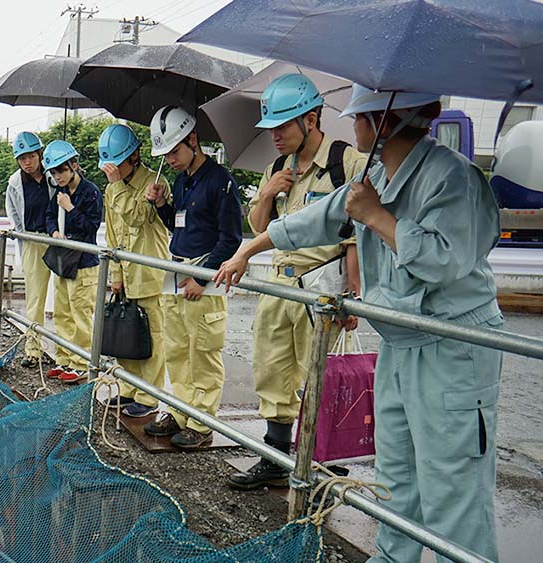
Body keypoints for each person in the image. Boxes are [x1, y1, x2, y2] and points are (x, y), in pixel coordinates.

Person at [215, 85, 503, 563]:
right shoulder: (375, 176)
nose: (353, 126)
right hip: (399, 339)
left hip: (452, 348)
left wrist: (377, 217)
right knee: (397, 478)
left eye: (359, 117)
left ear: (384, 122)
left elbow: (444, 262)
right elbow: (317, 218)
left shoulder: (453, 178)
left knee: (454, 486)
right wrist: (250, 248)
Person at [229, 74, 367, 489]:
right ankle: (274, 455)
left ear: (311, 119)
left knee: (319, 374)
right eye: (271, 128)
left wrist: (353, 295)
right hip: (278, 283)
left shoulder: (347, 162)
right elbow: (257, 226)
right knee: (272, 369)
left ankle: (318, 461)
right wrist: (268, 192)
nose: (275, 136)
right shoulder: (275, 168)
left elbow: (357, 232)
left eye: (283, 126)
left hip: (322, 286)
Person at [141, 106, 243, 450]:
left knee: (203, 352)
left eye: (173, 150)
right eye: (165, 153)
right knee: (178, 349)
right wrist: (160, 206)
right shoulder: (181, 181)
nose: (169, 159)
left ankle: (201, 421)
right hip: (178, 272)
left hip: (204, 279)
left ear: (193, 140)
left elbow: (231, 239)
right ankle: (180, 410)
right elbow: (179, 224)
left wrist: (204, 279)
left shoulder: (220, 181)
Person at [97, 123, 171, 418]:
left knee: (151, 334)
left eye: (118, 165)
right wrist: (116, 274)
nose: (113, 171)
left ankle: (149, 396)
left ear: (134, 156)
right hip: (124, 271)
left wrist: (115, 185)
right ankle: (128, 386)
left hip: (148, 272)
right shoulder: (111, 189)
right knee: (125, 331)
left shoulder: (154, 182)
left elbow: (138, 217)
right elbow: (113, 233)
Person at [42, 140, 104, 384]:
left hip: (84, 262)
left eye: (62, 170)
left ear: (74, 166)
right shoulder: (60, 192)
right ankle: (64, 358)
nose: (58, 176)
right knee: (63, 313)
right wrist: (54, 232)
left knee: (81, 315)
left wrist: (69, 208)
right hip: (63, 260)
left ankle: (80, 362)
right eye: (54, 172)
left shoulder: (91, 192)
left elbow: (90, 227)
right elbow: (49, 216)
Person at [4, 131, 55, 368]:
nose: (27, 162)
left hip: (58, 239)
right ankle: (33, 349)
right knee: (35, 298)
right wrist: (21, 233)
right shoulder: (15, 182)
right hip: (33, 240)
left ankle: (67, 355)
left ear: (40, 154)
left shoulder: (54, 173)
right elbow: (13, 212)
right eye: (22, 158)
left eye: (31, 156)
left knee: (65, 299)